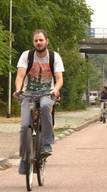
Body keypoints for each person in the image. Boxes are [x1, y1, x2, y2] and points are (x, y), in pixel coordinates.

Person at [13, 29, 64, 174]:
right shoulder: (26, 55)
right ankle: (24, 159)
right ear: (33, 42)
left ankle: (46, 144)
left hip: (47, 93)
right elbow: (20, 76)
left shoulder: (54, 57)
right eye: (36, 40)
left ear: (46, 41)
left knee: (45, 106)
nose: (38, 43)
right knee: (24, 127)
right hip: (28, 94)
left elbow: (59, 78)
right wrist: (18, 90)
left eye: (41, 40)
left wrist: (56, 89)